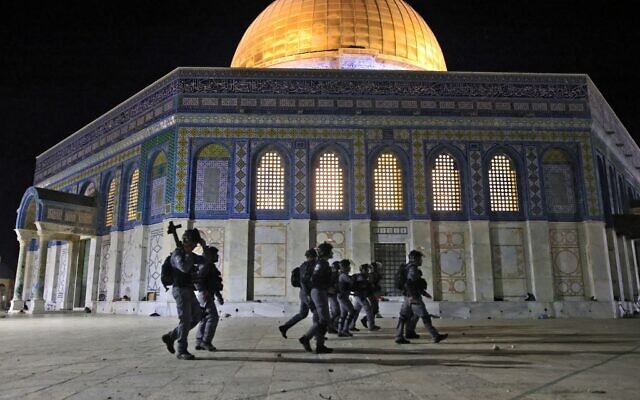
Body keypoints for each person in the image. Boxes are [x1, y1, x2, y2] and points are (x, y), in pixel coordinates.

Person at [161, 229, 203, 360]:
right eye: (194, 243)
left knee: (197, 316)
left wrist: (204, 245)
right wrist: (189, 254)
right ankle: (181, 350)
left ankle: (171, 336)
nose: (195, 246)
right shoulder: (177, 254)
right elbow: (184, 268)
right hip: (180, 289)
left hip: (189, 289)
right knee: (185, 320)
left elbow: (207, 260)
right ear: (188, 241)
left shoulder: (188, 253)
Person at [395, 250, 447, 345]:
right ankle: (435, 335)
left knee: (403, 317)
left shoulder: (406, 267)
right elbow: (410, 284)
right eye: (420, 258)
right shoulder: (413, 269)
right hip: (413, 297)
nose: (421, 261)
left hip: (407, 297)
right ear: (415, 259)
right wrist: (413, 296)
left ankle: (401, 335)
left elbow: (411, 284)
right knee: (425, 316)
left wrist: (423, 293)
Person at [299, 242, 333, 354]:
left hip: (318, 291)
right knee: (324, 320)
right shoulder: (322, 263)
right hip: (319, 291)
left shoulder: (320, 263)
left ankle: (320, 345)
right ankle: (306, 338)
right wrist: (326, 288)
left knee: (322, 320)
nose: (332, 253)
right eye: (330, 251)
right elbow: (315, 279)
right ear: (326, 252)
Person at [278, 249, 317, 339]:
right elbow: (303, 281)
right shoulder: (308, 266)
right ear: (312, 256)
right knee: (316, 312)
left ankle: (285, 327)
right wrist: (308, 294)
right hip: (307, 293)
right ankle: (316, 333)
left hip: (303, 292)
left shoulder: (303, 265)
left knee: (302, 314)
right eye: (315, 256)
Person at [194, 242, 224, 352]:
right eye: (216, 255)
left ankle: (199, 341)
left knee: (205, 317)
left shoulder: (209, 265)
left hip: (206, 294)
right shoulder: (206, 265)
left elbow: (214, 283)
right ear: (210, 255)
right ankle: (206, 342)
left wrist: (218, 296)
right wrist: (204, 291)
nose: (217, 257)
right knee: (213, 317)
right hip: (204, 295)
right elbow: (197, 280)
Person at [351, 264, 380, 332]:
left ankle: (351, 325)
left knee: (356, 311)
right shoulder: (361, 277)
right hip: (360, 296)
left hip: (359, 296)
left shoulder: (362, 276)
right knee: (369, 310)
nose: (368, 271)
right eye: (366, 269)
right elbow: (363, 287)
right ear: (363, 270)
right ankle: (371, 326)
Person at [336, 259, 355, 337]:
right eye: (348, 266)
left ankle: (340, 330)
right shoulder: (343, 276)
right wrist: (354, 278)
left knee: (344, 314)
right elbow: (351, 282)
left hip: (343, 296)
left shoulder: (343, 275)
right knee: (352, 312)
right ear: (344, 267)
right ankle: (345, 329)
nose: (349, 268)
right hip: (342, 297)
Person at [327, 261, 341, 332]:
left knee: (334, 311)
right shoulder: (334, 274)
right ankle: (330, 326)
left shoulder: (334, 274)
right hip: (332, 295)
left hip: (332, 295)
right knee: (336, 311)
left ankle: (332, 326)